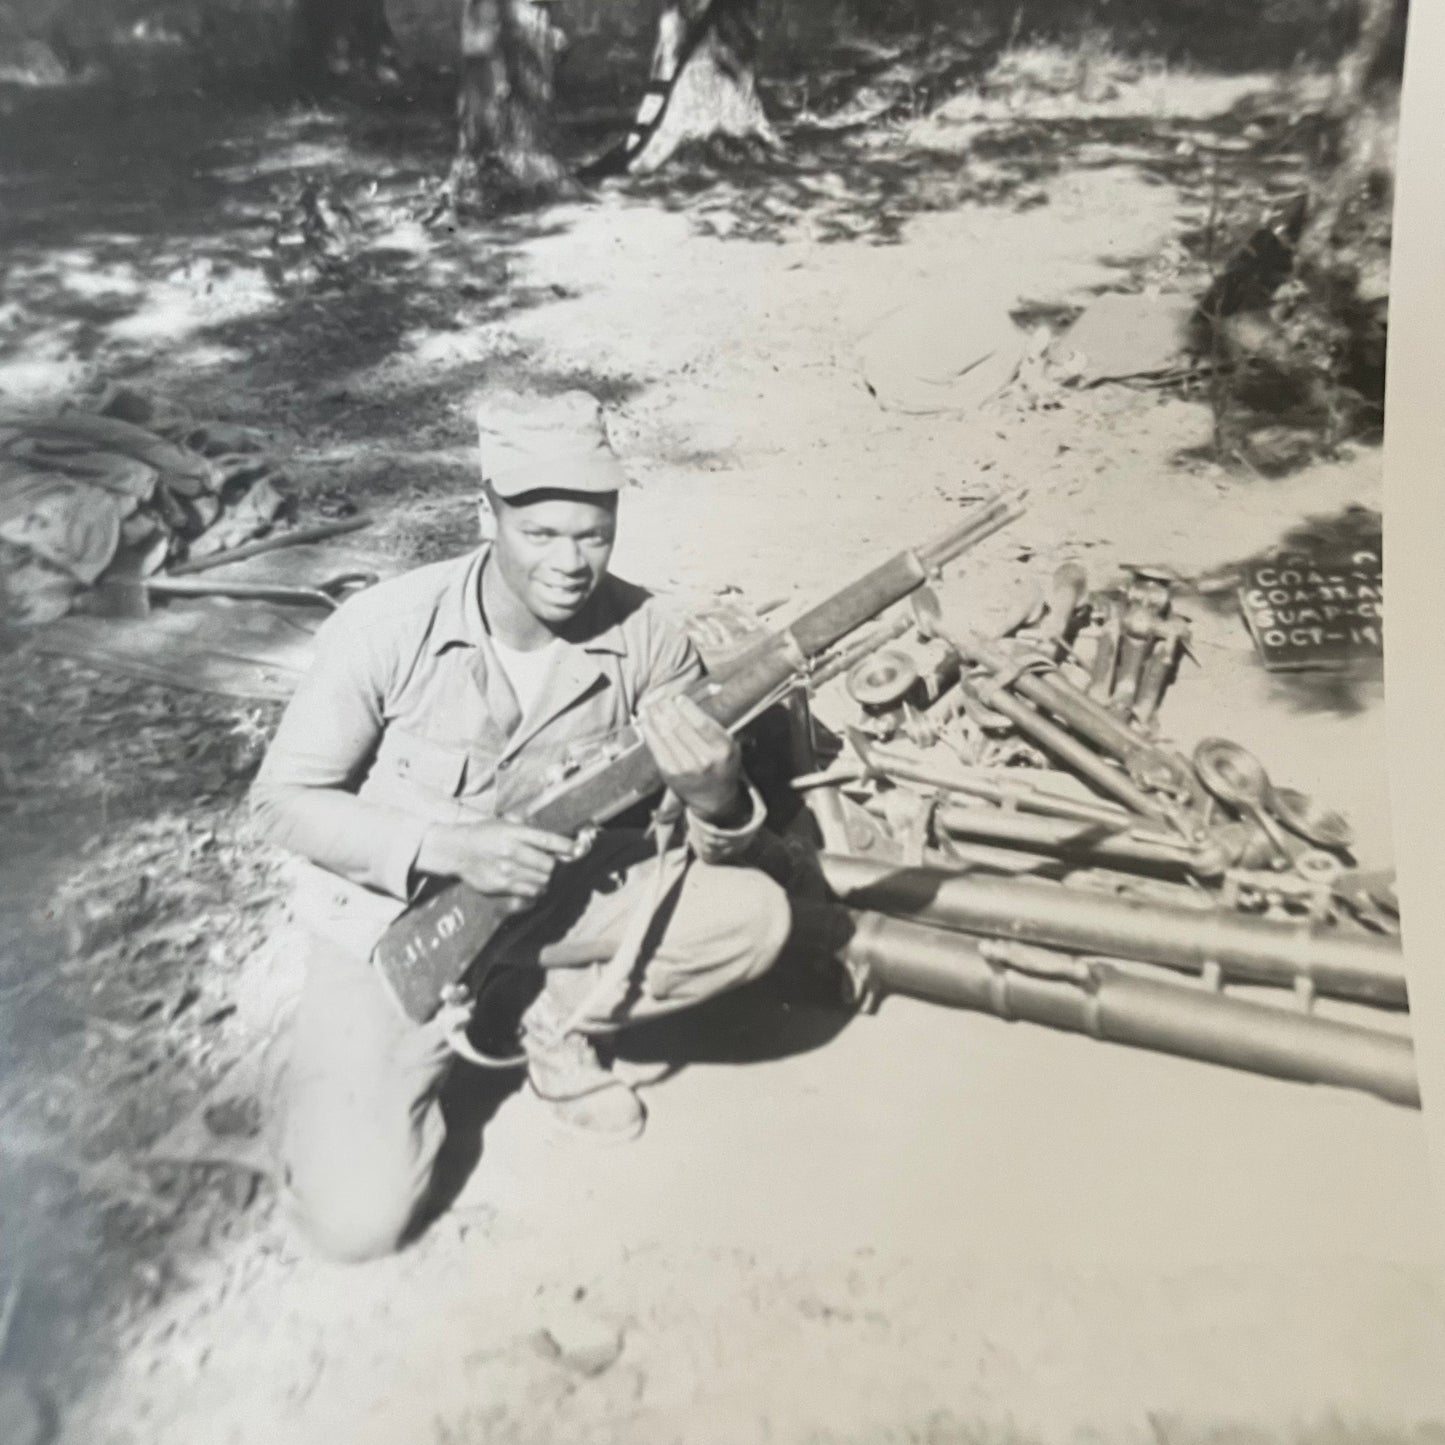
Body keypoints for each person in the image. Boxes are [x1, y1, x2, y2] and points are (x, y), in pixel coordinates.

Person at [251, 390, 792, 1263]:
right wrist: (447, 846)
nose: (571, 562)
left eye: (594, 533)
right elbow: (283, 800)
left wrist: (719, 796)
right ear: (486, 515)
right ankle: (346, 1052)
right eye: (540, 534)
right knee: (356, 1219)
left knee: (755, 917)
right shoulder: (387, 629)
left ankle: (553, 1018)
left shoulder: (651, 637)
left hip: (556, 906)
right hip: (391, 926)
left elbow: (692, 837)